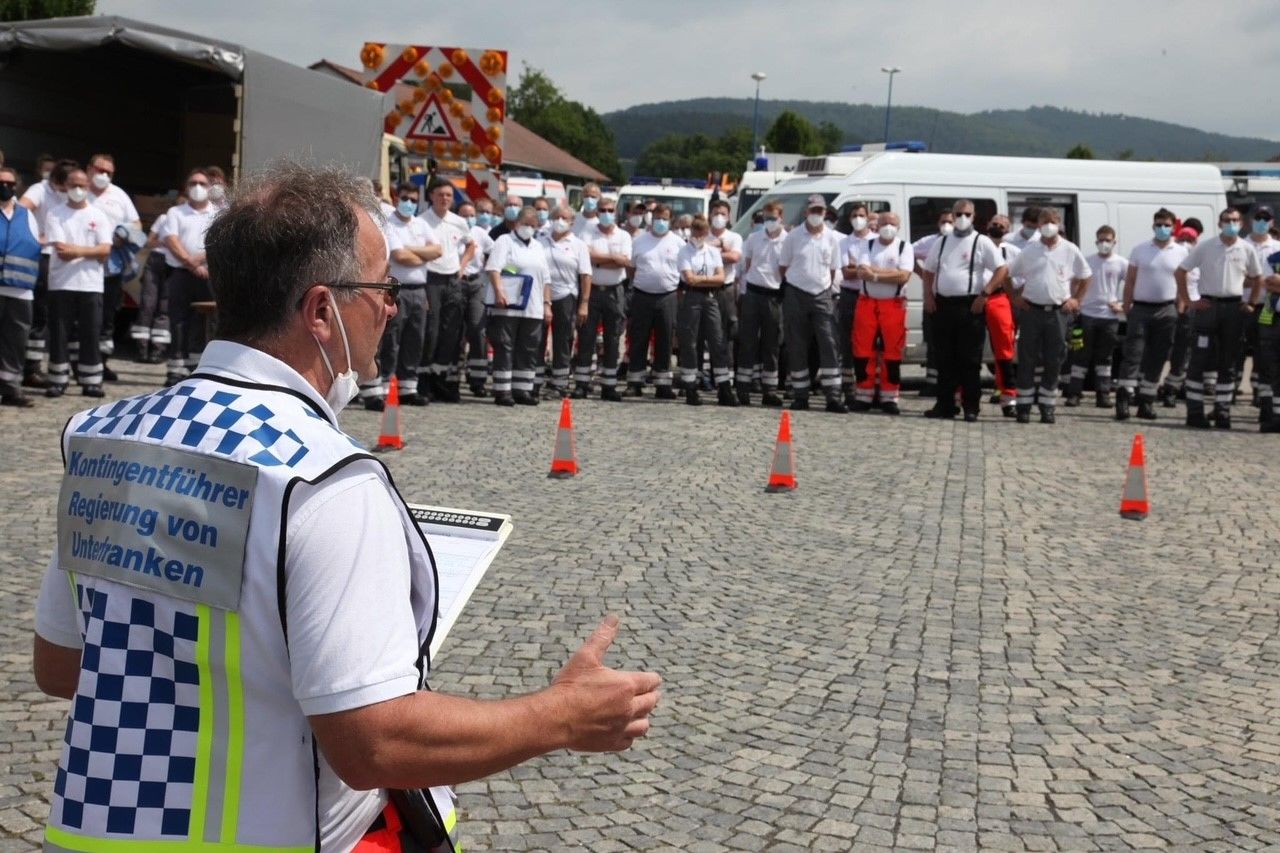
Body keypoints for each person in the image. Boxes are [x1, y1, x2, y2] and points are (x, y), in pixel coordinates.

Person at [32, 162, 660, 851]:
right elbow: (375, 743)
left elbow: (62, 665)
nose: (391, 306)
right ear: (323, 310)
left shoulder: (100, 435)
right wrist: (561, 715)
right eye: (380, 288)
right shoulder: (322, 477)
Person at [1175, 207, 1264, 429]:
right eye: (1226, 220)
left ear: (1241, 223)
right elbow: (1180, 271)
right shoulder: (1205, 247)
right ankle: (1194, 412)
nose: (1231, 224)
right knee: (1199, 359)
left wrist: (1252, 303)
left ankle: (1223, 411)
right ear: (1219, 223)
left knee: (1229, 362)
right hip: (1207, 307)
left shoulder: (1246, 249)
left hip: (1233, 309)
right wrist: (1188, 300)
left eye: (1235, 220)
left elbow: (1258, 277)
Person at [922, 200, 1007, 421]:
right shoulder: (941, 242)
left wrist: (985, 293)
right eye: (958, 213)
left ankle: (971, 407)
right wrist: (928, 295)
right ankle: (945, 404)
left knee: (970, 360)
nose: (962, 218)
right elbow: (929, 270)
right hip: (943, 305)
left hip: (970, 306)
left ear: (974, 216)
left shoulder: (981, 241)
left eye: (966, 214)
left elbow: (1002, 269)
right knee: (944, 358)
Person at [1007, 208, 1090, 424]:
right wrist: (1014, 297)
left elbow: (1086, 276)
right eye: (1044, 221)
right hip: (1031, 311)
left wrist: (1076, 300)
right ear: (1039, 224)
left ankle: (1047, 405)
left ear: (1059, 223)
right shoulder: (1029, 250)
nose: (1048, 225)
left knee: (1055, 359)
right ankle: (1024, 405)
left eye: (1052, 221)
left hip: (1058, 313)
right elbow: (1008, 275)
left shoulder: (1070, 249)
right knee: (1027, 359)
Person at [43, 168, 112, 398]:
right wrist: (92, 252)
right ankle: (58, 379)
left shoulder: (98, 215)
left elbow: (106, 249)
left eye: (82, 185)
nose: (78, 190)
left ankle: (91, 380)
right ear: (65, 186)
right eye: (74, 185)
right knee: (59, 333)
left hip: (90, 284)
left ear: (89, 186)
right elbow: (62, 250)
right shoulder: (55, 213)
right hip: (61, 282)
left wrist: (79, 251)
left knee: (91, 332)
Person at [1116, 209, 1187, 421]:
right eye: (1159, 224)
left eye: (1166, 225)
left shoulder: (1181, 251)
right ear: (1153, 226)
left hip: (1167, 310)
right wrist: (1127, 306)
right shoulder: (1140, 249)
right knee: (1133, 354)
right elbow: (1130, 280)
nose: (1162, 228)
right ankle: (1123, 400)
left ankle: (1146, 402)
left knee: (1158, 356)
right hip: (1140, 309)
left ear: (1173, 226)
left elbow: (1185, 281)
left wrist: (1181, 307)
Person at [778, 194, 846, 412]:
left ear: (825, 213)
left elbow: (833, 268)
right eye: (813, 210)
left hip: (822, 294)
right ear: (806, 212)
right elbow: (783, 266)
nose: (816, 214)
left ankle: (833, 397)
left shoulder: (832, 238)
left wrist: (822, 285)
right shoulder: (793, 236)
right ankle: (800, 395)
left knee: (829, 342)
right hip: (796, 293)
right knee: (797, 345)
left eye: (820, 211)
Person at [382, 182, 443, 408]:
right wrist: (423, 255)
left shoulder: (421, 224)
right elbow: (399, 256)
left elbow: (438, 250)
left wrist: (412, 250)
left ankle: (408, 387)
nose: (409, 203)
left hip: (419, 289)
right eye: (405, 198)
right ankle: (386, 387)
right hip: (397, 288)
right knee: (392, 339)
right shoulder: (389, 224)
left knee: (415, 339)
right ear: (397, 198)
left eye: (414, 200)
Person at [19, 157, 77, 389]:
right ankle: (31, 368)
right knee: (40, 316)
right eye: (66, 185)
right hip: (43, 257)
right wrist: (36, 238)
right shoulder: (40, 190)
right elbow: (21, 211)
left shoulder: (69, 194)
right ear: (56, 181)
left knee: (55, 317)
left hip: (62, 260)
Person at [847, 211, 914, 414]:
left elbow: (904, 276)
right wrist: (888, 275)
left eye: (892, 223)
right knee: (862, 350)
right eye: (884, 222)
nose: (887, 226)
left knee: (892, 352)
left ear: (898, 227)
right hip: (867, 303)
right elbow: (861, 271)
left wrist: (875, 275)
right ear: (877, 224)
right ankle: (863, 395)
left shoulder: (904, 247)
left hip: (893, 304)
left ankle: (889, 396)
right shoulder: (867, 245)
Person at [487, 206, 551, 406]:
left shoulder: (538, 247)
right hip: (508, 304)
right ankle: (503, 390)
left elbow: (546, 279)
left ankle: (523, 389)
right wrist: (499, 291)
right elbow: (494, 268)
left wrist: (547, 304)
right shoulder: (504, 241)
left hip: (533, 307)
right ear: (517, 223)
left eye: (533, 225)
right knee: (505, 346)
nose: (529, 228)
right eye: (526, 224)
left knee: (528, 348)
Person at [159, 169, 218, 385]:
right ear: (186, 187)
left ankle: (200, 368)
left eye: (202, 183)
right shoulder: (176, 212)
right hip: (181, 274)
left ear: (209, 187)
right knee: (178, 320)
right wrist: (191, 264)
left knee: (205, 322)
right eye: (193, 183)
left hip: (208, 275)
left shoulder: (218, 214)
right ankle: (175, 368)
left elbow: (217, 244)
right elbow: (171, 240)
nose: (198, 187)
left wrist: (199, 261)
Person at [420, 178, 476, 402]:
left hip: (452, 279)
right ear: (431, 196)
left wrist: (461, 268)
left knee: (450, 332)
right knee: (431, 332)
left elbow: (471, 245)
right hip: (431, 279)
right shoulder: (422, 221)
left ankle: (441, 378)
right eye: (441, 194)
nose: (445, 199)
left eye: (449, 195)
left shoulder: (459, 222)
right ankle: (424, 379)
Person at [86, 153, 141, 377]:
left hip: (111, 266)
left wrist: (123, 233)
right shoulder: (79, 191)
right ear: (89, 169)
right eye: (99, 170)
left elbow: (136, 222)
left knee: (107, 316)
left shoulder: (118, 195)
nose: (103, 175)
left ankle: (102, 362)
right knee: (85, 316)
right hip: (83, 265)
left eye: (108, 172)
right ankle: (80, 362)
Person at [575, 197, 631, 401]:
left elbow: (624, 262)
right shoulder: (586, 232)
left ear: (615, 212)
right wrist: (612, 259)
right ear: (597, 212)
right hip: (592, 290)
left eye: (610, 210)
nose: (606, 213)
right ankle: (582, 383)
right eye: (603, 210)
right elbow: (586, 258)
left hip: (615, 291)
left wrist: (600, 260)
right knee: (586, 337)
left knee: (613, 338)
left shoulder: (623, 235)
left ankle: (609, 385)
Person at [676, 214, 736, 406]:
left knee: (717, 340)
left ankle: (724, 387)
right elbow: (689, 279)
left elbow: (720, 278)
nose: (699, 236)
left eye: (702, 233)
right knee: (691, 342)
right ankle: (691, 387)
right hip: (692, 296)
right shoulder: (684, 252)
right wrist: (705, 279)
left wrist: (701, 279)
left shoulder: (713, 252)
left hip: (711, 297)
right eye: (696, 232)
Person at [1067, 225, 1128, 408]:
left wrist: (1122, 305)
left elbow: (1133, 285)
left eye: (1107, 240)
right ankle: (1074, 393)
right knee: (1080, 355)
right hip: (1087, 315)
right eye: (1100, 240)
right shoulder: (1087, 261)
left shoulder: (1121, 263)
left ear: (1114, 242)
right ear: (1095, 242)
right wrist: (1076, 300)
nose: (1104, 243)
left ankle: (1103, 394)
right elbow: (1074, 281)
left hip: (1109, 317)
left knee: (1105, 357)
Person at [625, 204, 682, 399]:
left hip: (668, 296)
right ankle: (635, 382)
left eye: (664, 218)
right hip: (642, 295)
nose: (660, 222)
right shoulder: (640, 241)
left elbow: (683, 270)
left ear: (671, 220)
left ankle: (663, 385)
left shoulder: (678, 243)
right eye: (657, 217)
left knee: (665, 339)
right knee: (638, 338)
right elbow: (631, 268)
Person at [737, 200, 786, 407]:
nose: (769, 222)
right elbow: (747, 265)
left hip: (774, 295)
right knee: (747, 342)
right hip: (753, 294)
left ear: (781, 218)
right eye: (766, 218)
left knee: (771, 344)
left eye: (773, 218)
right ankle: (743, 388)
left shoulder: (788, 240)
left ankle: (770, 389)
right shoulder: (753, 238)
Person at [0, 164, 41, 407]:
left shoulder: (27, 215)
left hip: (21, 290)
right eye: (0, 182)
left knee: (15, 343)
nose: (5, 187)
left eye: (9, 183)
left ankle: (11, 388)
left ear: (16, 187)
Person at [540, 205, 592, 398]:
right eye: (557, 217)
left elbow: (586, 275)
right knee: (537, 339)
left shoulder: (578, 245)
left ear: (572, 222)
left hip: (566, 296)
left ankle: (559, 384)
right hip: (541, 297)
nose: (560, 221)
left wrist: (584, 303)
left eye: (565, 218)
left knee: (563, 340)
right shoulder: (540, 241)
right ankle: (535, 382)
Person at [1238, 205, 1280, 405]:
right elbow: (1234, 278)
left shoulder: (1277, 248)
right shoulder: (1240, 245)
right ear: (1250, 220)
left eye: (1266, 218)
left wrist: (1257, 280)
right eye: (1258, 217)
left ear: (1272, 222)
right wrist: (1257, 281)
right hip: (1243, 305)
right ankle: (1227, 397)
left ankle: (1261, 394)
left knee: (1265, 352)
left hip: (1269, 308)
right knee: (1238, 350)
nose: (1262, 222)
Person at [1159, 222, 1204, 406]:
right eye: (1182, 238)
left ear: (1195, 241)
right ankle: (1151, 386)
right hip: (1169, 307)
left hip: (1190, 309)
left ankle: (1172, 389)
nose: (1186, 242)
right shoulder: (1173, 257)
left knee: (1182, 352)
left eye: (1190, 239)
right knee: (1161, 348)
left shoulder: (1200, 260)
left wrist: (1186, 303)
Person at [913, 210, 955, 397]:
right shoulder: (928, 242)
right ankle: (931, 382)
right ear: (938, 222)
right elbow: (908, 253)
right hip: (933, 299)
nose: (947, 224)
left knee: (952, 344)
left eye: (950, 221)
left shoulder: (962, 243)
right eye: (944, 221)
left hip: (954, 300)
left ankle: (950, 382)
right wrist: (922, 275)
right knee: (933, 342)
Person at [837, 202, 875, 406]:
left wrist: (858, 267)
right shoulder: (844, 242)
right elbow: (846, 272)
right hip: (849, 295)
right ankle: (849, 387)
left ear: (868, 217)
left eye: (861, 215)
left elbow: (875, 270)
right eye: (854, 215)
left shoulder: (876, 241)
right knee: (847, 342)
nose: (858, 218)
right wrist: (865, 269)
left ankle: (868, 386)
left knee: (868, 342)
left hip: (870, 295)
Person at [982, 215, 1021, 416]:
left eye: (1002, 226)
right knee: (967, 347)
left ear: (1008, 230)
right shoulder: (977, 244)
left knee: (1004, 348)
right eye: (994, 223)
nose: (997, 227)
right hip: (974, 298)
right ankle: (960, 395)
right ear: (987, 225)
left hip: (999, 298)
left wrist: (1014, 297)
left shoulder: (1013, 252)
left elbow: (1023, 278)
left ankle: (1009, 398)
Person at [459, 198, 495, 397]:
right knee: (455, 332)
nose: (470, 219)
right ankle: (451, 377)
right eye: (465, 215)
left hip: (477, 283)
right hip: (456, 282)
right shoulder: (455, 230)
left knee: (477, 329)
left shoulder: (480, 233)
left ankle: (478, 379)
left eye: (472, 215)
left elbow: (495, 253)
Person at [707, 199, 742, 391]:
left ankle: (726, 376)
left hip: (726, 289)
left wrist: (716, 249)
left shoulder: (734, 237)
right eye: (715, 213)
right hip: (705, 288)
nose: (719, 217)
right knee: (707, 333)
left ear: (729, 217)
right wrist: (718, 252)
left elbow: (734, 257)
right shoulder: (702, 236)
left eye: (723, 214)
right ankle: (706, 374)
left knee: (727, 333)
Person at [1254, 246, 1280, 432]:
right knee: (1275, 371)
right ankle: (1277, 416)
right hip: (1274, 319)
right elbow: (1265, 282)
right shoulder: (1273, 259)